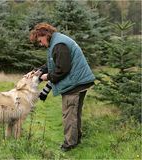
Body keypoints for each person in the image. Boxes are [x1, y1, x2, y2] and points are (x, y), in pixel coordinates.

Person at [28, 22, 95, 152]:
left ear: (45, 35)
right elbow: (53, 63)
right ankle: (76, 139)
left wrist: (47, 77)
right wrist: (39, 71)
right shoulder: (56, 41)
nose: (40, 44)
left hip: (75, 83)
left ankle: (69, 144)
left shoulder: (59, 45)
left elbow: (62, 69)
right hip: (80, 81)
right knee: (74, 113)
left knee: (69, 114)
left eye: (40, 40)